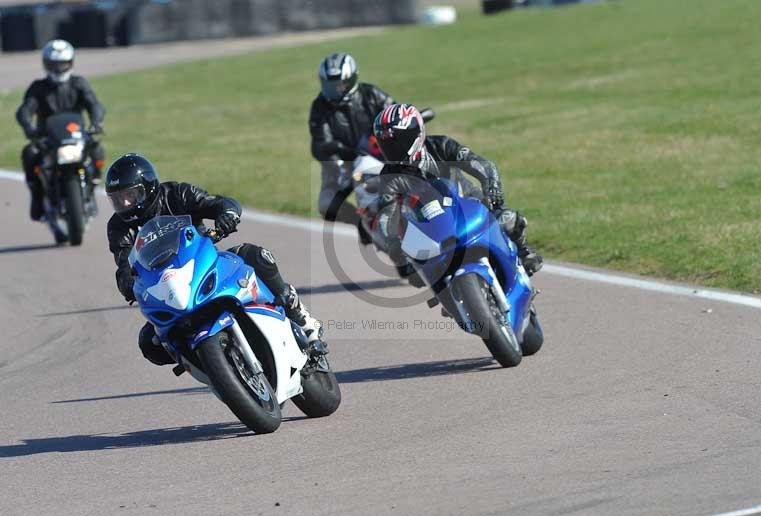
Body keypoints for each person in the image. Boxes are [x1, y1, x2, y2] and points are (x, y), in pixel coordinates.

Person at [105, 153, 326, 366]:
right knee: (149, 342)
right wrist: (127, 282)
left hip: (204, 265)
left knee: (255, 256)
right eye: (117, 199)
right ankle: (205, 363)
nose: (125, 204)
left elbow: (217, 203)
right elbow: (123, 260)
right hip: (166, 287)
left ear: (149, 187)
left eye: (131, 195)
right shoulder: (118, 227)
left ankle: (300, 317)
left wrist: (227, 215)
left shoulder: (177, 194)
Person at [372, 103, 544, 276]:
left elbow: (482, 165)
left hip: (467, 202)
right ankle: (449, 297)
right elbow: (386, 213)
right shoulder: (389, 176)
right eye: (386, 144)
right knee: (416, 272)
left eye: (398, 141)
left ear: (416, 133)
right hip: (429, 226)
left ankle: (524, 252)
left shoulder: (441, 145)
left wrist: (492, 186)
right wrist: (392, 242)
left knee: (507, 219)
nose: (393, 149)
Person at [16, 39, 106, 221]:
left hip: (77, 136)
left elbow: (95, 105)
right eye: (53, 64)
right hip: (48, 140)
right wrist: (30, 128)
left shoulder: (79, 83)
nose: (58, 68)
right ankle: (37, 197)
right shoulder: (38, 88)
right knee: (29, 153)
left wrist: (96, 122)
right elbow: (25, 111)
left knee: (97, 150)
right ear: (46, 64)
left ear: (71, 63)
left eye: (62, 64)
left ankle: (92, 186)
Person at [308, 52, 394, 241]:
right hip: (342, 162)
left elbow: (394, 112)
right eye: (328, 85)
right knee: (325, 204)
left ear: (352, 79)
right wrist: (337, 163)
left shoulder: (371, 94)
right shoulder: (319, 107)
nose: (333, 91)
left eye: (338, 85)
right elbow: (321, 143)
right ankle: (363, 225)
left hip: (380, 153)